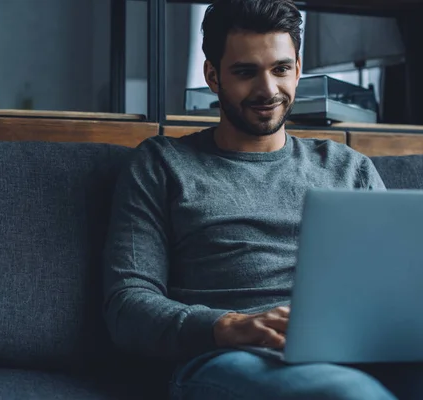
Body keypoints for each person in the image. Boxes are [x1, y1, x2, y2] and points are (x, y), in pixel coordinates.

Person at [102, 0, 423, 399]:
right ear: (213, 76)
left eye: (281, 69)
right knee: (346, 394)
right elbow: (127, 306)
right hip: (229, 356)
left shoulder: (347, 167)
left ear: (298, 69)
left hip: (350, 350)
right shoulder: (161, 164)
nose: (268, 90)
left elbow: (396, 288)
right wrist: (227, 325)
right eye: (245, 72)